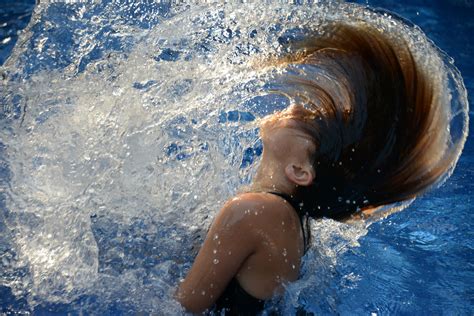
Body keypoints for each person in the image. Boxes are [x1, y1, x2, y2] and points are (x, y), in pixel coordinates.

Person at [175, 21, 457, 314]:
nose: (296, 106)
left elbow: (180, 309)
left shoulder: (253, 211)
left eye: (310, 120)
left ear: (299, 171)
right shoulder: (291, 218)